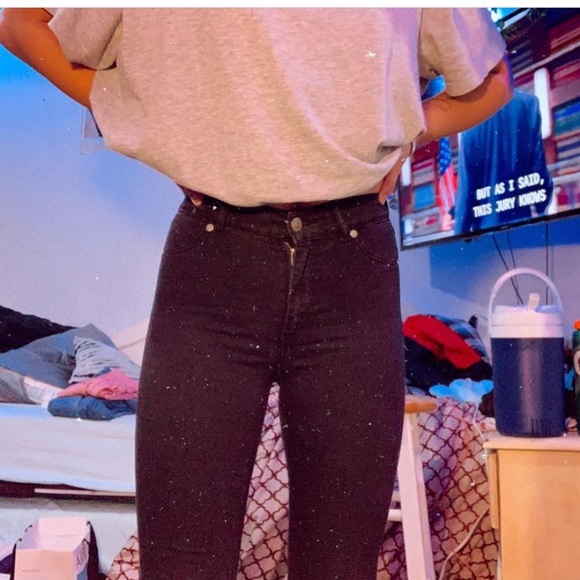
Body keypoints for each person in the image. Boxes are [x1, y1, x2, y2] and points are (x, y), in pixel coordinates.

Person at [0, 8, 513, 579]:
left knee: (341, 565)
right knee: (181, 566)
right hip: (215, 259)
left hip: (351, 267)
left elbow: (491, 80)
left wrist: (409, 128)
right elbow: (21, 22)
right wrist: (139, 118)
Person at [454, 88, 554, 234]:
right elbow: (539, 170)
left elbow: (467, 186)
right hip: (523, 225)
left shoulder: (469, 115)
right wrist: (541, 209)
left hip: (486, 233)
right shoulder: (528, 103)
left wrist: (460, 235)